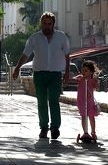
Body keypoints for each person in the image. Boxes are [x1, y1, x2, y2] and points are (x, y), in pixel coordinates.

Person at [11, 11, 71, 140]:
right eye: (44, 23)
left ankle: (55, 128)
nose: (47, 26)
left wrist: (67, 72)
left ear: (53, 24)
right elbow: (25, 54)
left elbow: (67, 55)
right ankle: (44, 128)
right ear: (41, 24)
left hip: (55, 74)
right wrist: (17, 68)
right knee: (42, 102)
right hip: (39, 74)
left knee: (54, 101)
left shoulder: (61, 37)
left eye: (49, 24)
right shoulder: (34, 38)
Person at [75, 60, 100, 142]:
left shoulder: (92, 80)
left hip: (89, 101)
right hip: (81, 101)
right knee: (83, 116)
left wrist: (96, 82)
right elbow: (74, 79)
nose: (83, 72)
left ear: (91, 72)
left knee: (91, 116)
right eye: (82, 70)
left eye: (86, 71)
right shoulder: (80, 79)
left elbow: (97, 87)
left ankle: (93, 132)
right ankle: (85, 132)